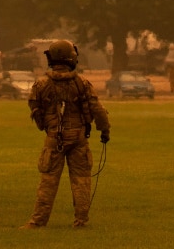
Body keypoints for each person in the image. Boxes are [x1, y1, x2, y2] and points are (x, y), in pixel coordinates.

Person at [21, 40, 111, 229]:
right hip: (78, 138)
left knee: (48, 182)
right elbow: (98, 109)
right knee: (81, 181)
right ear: (72, 58)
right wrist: (104, 130)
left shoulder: (41, 84)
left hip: (54, 139)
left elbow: (35, 109)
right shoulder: (82, 84)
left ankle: (37, 222)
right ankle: (80, 222)